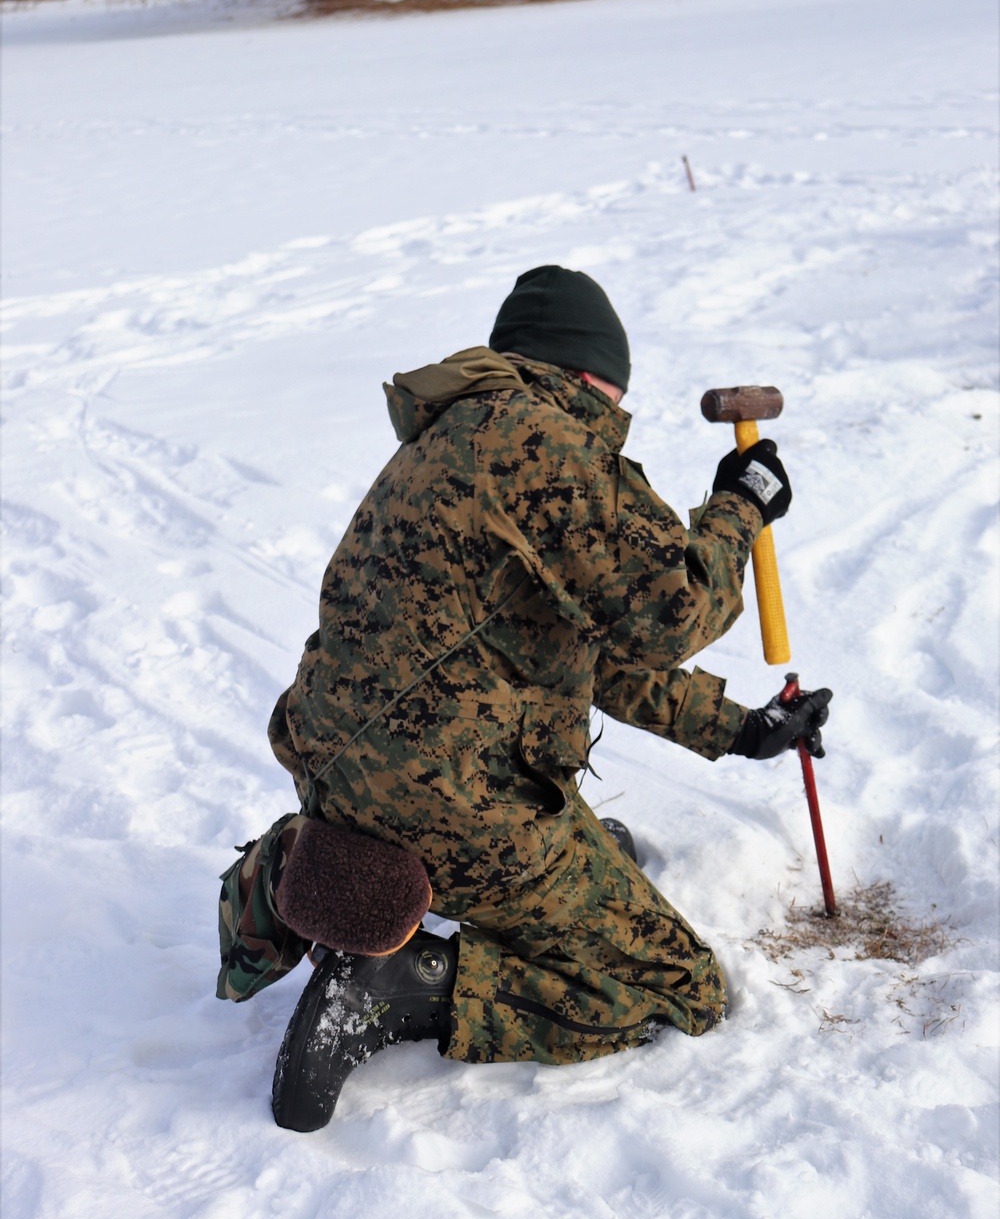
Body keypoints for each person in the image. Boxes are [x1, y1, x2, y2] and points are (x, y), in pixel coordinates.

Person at [219, 264, 831, 1131]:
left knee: (573, 852)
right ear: (590, 374)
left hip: (339, 776)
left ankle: (305, 862)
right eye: (617, 387)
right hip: (453, 809)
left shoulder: (451, 439)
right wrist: (741, 508)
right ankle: (407, 988)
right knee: (678, 987)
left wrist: (741, 729)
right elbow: (671, 611)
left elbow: (596, 649)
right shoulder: (544, 441)